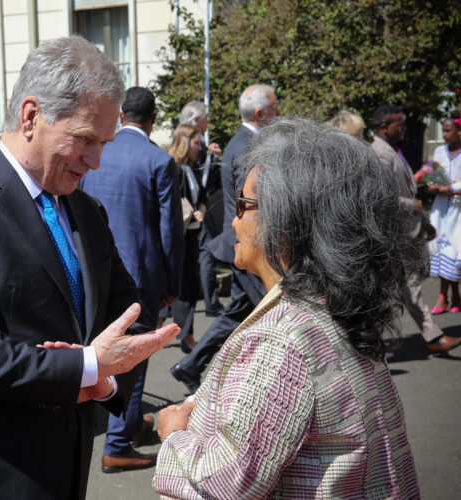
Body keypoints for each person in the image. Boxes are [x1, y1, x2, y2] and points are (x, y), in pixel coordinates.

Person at [0, 36, 181, 500]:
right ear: (30, 116)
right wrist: (81, 364)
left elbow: (129, 314)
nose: (96, 161)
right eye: (85, 139)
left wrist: (101, 380)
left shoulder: (88, 211)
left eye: (103, 143)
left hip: (61, 466)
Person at [154, 117, 421, 499]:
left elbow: (228, 485)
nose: (233, 219)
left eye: (244, 204)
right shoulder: (335, 309)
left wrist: (174, 433)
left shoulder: (283, 340)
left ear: (284, 222)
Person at [79, 86, 185, 473]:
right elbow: (169, 231)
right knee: (134, 358)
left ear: (122, 115)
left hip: (95, 271)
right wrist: (173, 282)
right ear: (153, 119)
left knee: (104, 349)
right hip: (140, 276)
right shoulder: (159, 161)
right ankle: (118, 442)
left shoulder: (96, 155)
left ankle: (128, 421)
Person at [170, 84, 279, 393]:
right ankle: (256, 380)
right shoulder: (246, 146)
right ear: (261, 113)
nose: (280, 113)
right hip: (248, 245)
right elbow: (256, 204)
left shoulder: (246, 143)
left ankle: (189, 366)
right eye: (276, 107)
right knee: (268, 311)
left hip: (247, 244)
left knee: (242, 310)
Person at [371, 105, 460, 354]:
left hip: (405, 231)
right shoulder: (380, 153)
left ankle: (429, 338)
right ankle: (432, 338)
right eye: (399, 124)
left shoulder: (393, 150)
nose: (403, 128)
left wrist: (425, 222)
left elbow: (405, 190)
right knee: (402, 287)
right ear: (384, 126)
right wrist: (413, 206)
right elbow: (380, 198)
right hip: (393, 234)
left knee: (403, 287)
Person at [178, 101, 224, 317]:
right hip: (193, 213)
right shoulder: (191, 146)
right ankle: (209, 301)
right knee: (204, 255)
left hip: (199, 209)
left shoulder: (199, 146)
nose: (208, 121)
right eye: (205, 117)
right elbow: (196, 181)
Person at [167, 124, 206, 352]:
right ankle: (186, 335)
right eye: (196, 143)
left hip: (191, 233)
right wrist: (192, 213)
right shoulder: (173, 167)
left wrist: (199, 209)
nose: (199, 148)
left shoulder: (191, 168)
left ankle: (180, 331)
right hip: (180, 235)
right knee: (185, 285)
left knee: (188, 284)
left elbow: (200, 196)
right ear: (184, 142)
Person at [427, 112, 461, 313]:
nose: (444, 135)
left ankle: (445, 297)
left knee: (453, 250)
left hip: (458, 209)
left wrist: (451, 189)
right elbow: (432, 173)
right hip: (440, 210)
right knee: (439, 249)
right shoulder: (439, 151)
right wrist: (431, 184)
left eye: (448, 131)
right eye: (443, 131)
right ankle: (452, 296)